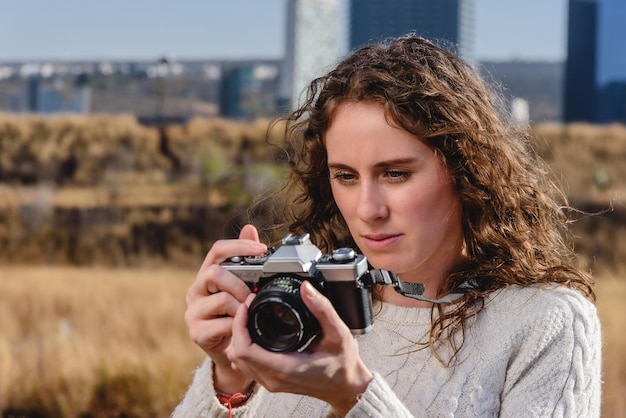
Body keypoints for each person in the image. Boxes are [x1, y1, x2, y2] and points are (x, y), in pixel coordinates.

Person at [173, 35, 602, 417]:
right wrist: (229, 378)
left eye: (395, 174)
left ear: (466, 170)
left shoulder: (545, 324)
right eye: (345, 176)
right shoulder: (295, 308)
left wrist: (355, 395)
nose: (367, 209)